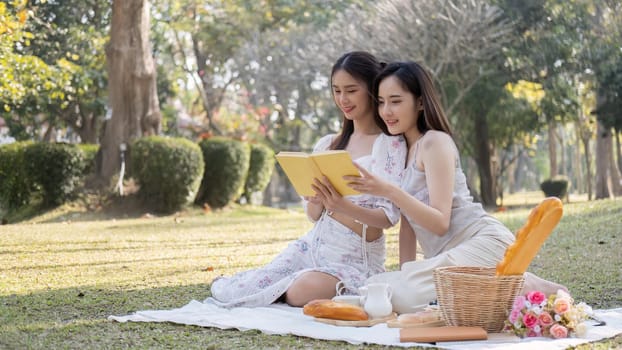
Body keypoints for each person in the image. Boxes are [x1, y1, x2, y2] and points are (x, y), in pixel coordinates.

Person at [346, 61, 566, 314]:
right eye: (381, 102)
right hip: (448, 261)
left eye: (395, 101)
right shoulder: (398, 151)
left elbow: (440, 222)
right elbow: (408, 223)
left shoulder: (435, 143)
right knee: (377, 287)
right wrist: (405, 273)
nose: (386, 111)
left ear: (419, 102)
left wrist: (388, 191)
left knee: (402, 296)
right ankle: (498, 284)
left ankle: (526, 283)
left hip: (483, 242)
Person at [206, 51, 407, 308]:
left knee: (301, 292)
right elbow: (314, 216)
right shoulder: (328, 143)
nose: (342, 99)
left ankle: (293, 285)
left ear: (371, 90)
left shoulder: (388, 145)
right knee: (239, 289)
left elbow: (388, 218)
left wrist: (342, 205)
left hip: (355, 261)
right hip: (311, 247)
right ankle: (284, 283)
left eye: (351, 90)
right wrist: (316, 200)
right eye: (336, 91)